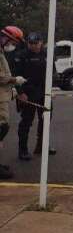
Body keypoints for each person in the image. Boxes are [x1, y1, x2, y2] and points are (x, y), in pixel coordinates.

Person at [14, 32, 57, 160]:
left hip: (44, 92)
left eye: (35, 43)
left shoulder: (47, 54)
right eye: (30, 43)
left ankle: (42, 146)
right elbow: (15, 76)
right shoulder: (21, 55)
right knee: (26, 122)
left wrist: (51, 89)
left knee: (46, 120)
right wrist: (20, 93)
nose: (33, 46)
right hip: (28, 93)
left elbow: (52, 73)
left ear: (41, 42)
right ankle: (23, 150)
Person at [0, 26, 26, 179]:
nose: (13, 46)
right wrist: (14, 80)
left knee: (2, 128)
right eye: (13, 42)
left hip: (3, 95)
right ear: (5, 38)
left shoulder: (1, 51)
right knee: (2, 128)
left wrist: (12, 90)